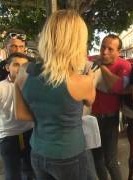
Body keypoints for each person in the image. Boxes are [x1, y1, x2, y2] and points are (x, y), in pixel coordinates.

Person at [14, 10, 96, 180]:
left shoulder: (23, 72)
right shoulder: (82, 81)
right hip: (69, 155)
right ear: (76, 42)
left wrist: (46, 117)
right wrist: (90, 79)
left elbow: (20, 114)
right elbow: (90, 102)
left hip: (38, 152)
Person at [91, 34, 133, 180]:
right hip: (90, 119)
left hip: (109, 118)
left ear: (119, 51)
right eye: (103, 47)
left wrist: (102, 67)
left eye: (110, 49)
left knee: (110, 160)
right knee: (97, 160)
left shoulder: (124, 65)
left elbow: (118, 87)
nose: (104, 52)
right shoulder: (90, 60)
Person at [0, 52, 34, 180]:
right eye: (16, 65)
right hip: (8, 138)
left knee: (30, 172)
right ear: (7, 68)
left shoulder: (32, 85)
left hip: (30, 133)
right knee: (12, 173)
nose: (20, 69)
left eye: (24, 65)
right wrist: (0, 121)